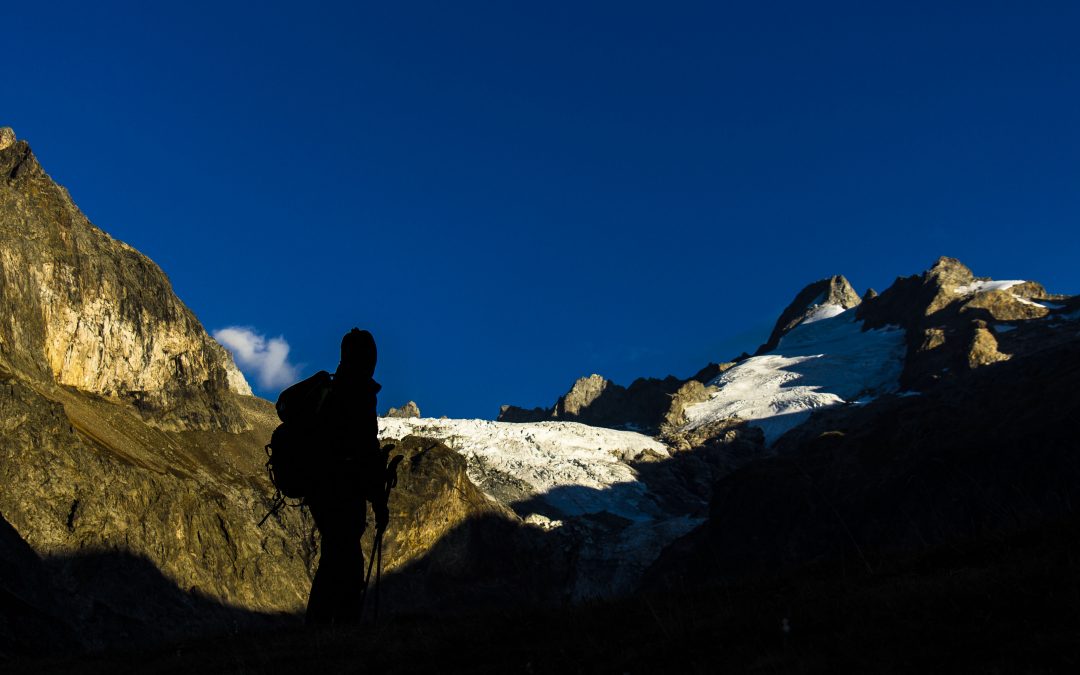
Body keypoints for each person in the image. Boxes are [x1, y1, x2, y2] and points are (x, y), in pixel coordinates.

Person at [305, 328, 390, 625]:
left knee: (334, 557)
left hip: (321, 488)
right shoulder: (359, 394)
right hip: (342, 490)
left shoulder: (334, 390)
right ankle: (339, 630)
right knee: (346, 562)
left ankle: (321, 630)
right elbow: (364, 450)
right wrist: (379, 501)